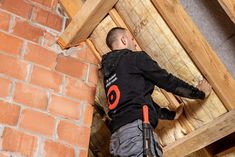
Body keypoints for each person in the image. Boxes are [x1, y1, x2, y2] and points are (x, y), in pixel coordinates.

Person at [100, 27, 212, 157]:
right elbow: (166, 80)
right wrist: (199, 93)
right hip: (135, 135)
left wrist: (169, 115)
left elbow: (137, 98)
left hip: (117, 140)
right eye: (132, 39)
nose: (135, 43)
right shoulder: (134, 58)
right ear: (124, 40)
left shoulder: (108, 74)